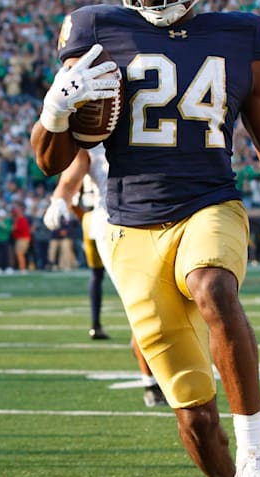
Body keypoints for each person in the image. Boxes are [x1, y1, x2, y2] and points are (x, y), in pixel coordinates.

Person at [31, 0, 260, 477]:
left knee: (213, 287)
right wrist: (56, 110)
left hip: (210, 202)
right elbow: (50, 158)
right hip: (129, 228)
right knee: (195, 420)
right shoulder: (95, 28)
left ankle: (258, 453)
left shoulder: (240, 34)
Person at [43, 146, 168, 407]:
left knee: (173, 302)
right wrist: (60, 199)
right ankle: (151, 383)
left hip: (160, 217)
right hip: (113, 224)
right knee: (143, 304)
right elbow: (70, 178)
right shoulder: (94, 137)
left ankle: (164, 376)